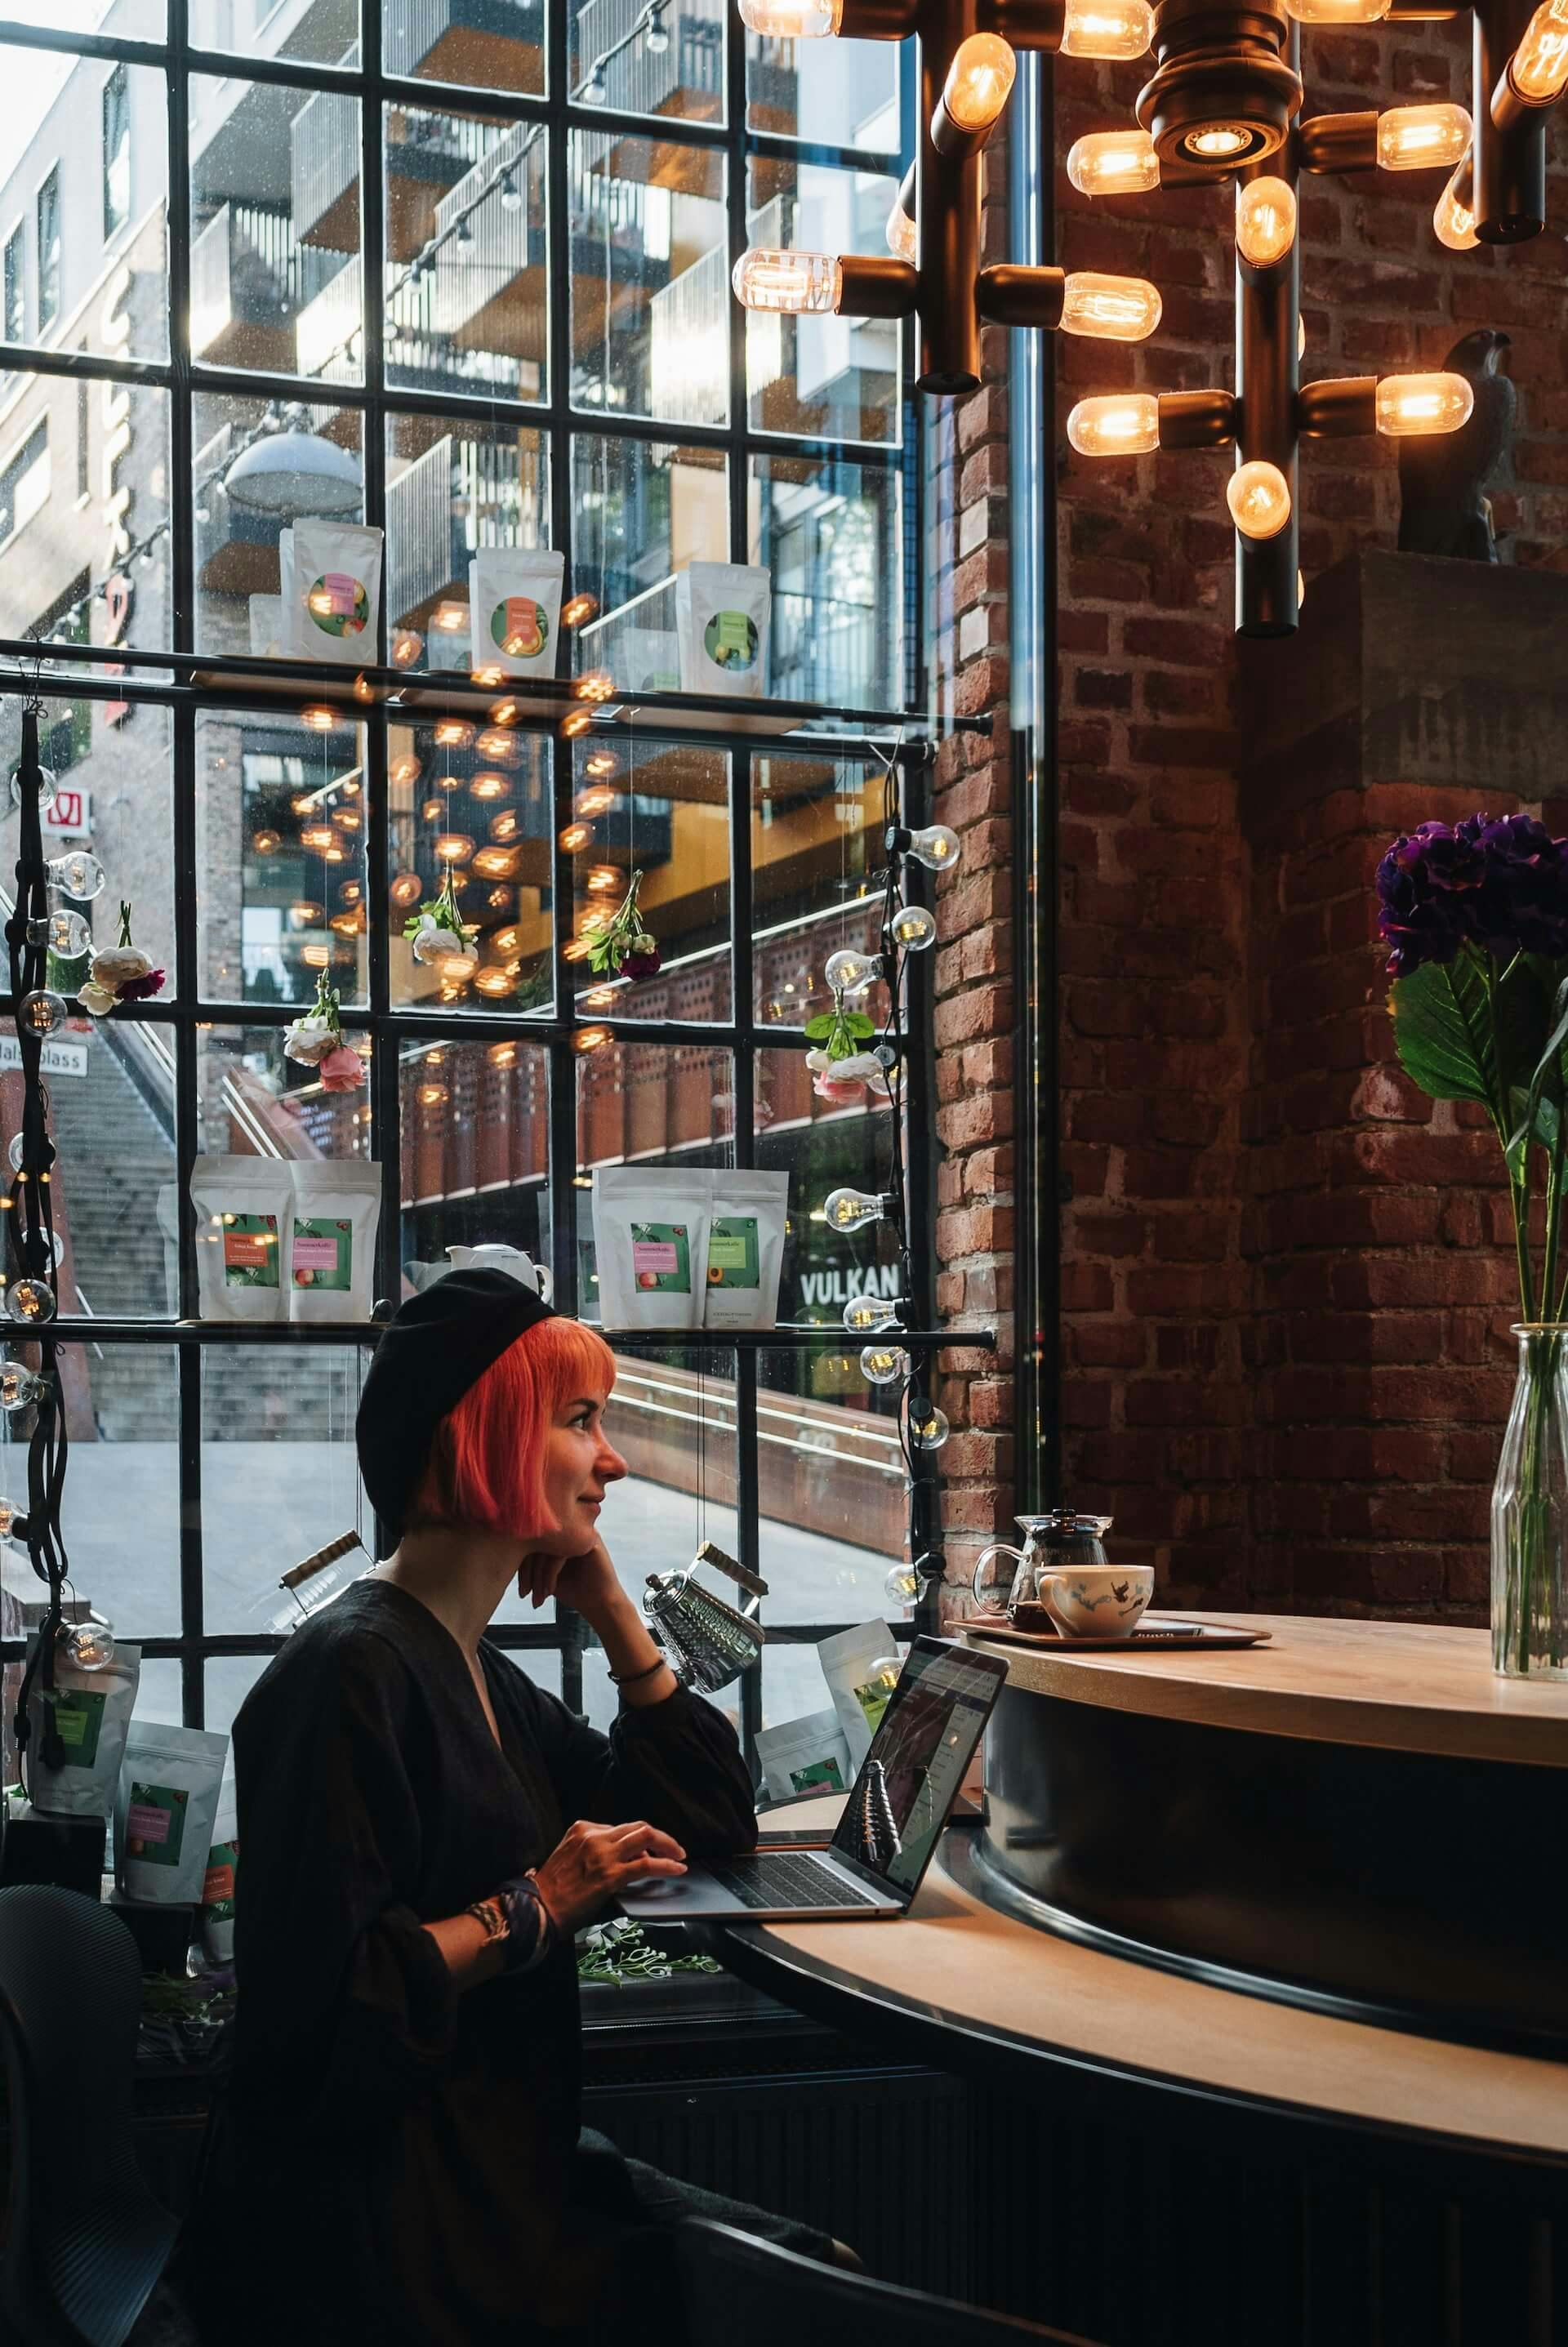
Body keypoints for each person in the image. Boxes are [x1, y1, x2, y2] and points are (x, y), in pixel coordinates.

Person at [211, 1268, 835, 2345]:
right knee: (809, 2304)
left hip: (504, 2176)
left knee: (821, 2274)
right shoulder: (349, 1674)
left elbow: (707, 1826)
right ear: (483, 1435)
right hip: (393, 2236)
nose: (616, 1458)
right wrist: (536, 1904)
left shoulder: (473, 1668)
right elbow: (307, 2028)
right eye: (581, 1420)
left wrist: (608, 1602)